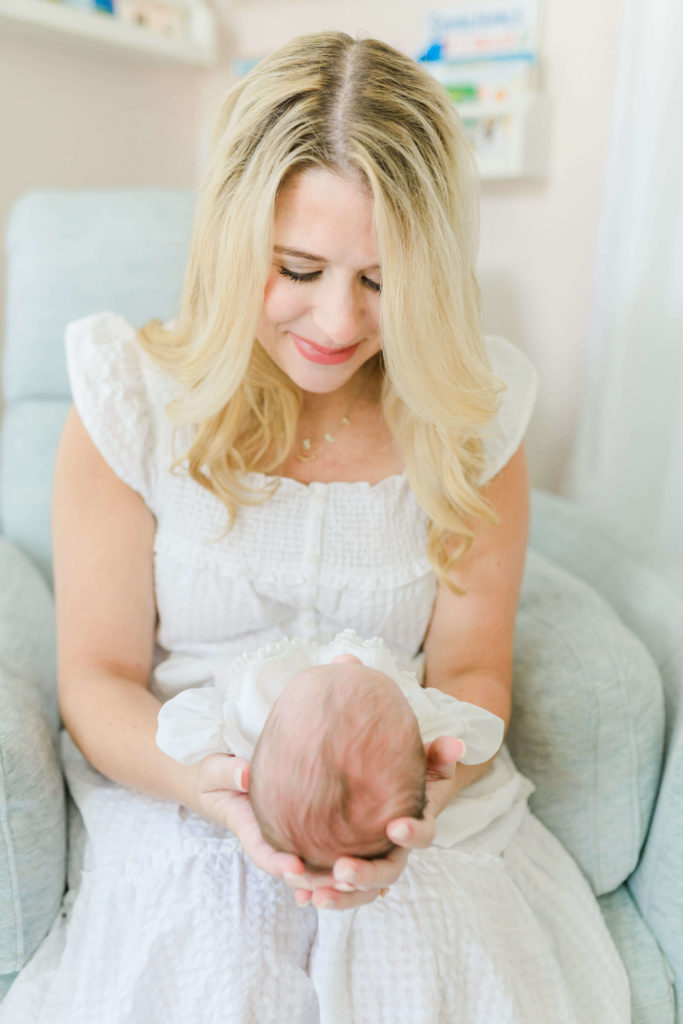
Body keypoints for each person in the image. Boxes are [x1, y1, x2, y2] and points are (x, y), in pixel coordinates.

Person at [0, 29, 631, 1024]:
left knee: (427, 968)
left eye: (380, 281)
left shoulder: (471, 415)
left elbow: (471, 674)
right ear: (230, 238)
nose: (335, 322)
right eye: (296, 267)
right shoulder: (128, 401)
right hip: (184, 790)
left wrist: (408, 805)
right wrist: (211, 790)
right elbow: (97, 679)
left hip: (401, 791)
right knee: (217, 967)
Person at [154, 631, 506, 869]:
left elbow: (176, 728)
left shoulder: (251, 713)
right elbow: (478, 728)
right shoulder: (425, 720)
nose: (349, 659)